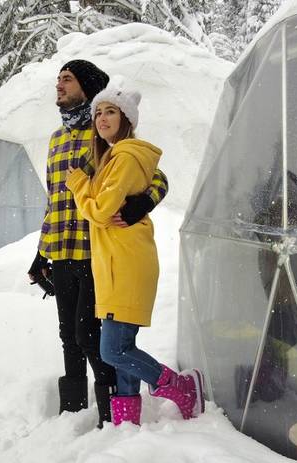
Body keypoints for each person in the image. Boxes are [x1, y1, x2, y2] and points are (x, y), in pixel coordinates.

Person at [27, 60, 169, 428]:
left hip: (94, 251)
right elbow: (54, 199)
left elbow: (155, 175)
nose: (58, 85)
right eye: (57, 79)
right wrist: (41, 252)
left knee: (89, 336)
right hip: (60, 248)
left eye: (67, 79)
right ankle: (71, 413)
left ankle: (112, 410)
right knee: (67, 336)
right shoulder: (57, 139)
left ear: (87, 87)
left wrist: (146, 201)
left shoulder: (102, 135)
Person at [65, 77, 205, 425]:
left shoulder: (124, 156)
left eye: (111, 112)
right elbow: (152, 178)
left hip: (124, 261)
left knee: (112, 349)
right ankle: (126, 420)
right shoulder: (107, 155)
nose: (102, 119)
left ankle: (178, 386)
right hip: (114, 260)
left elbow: (99, 210)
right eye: (98, 113)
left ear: (126, 118)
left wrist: (82, 186)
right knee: (122, 346)